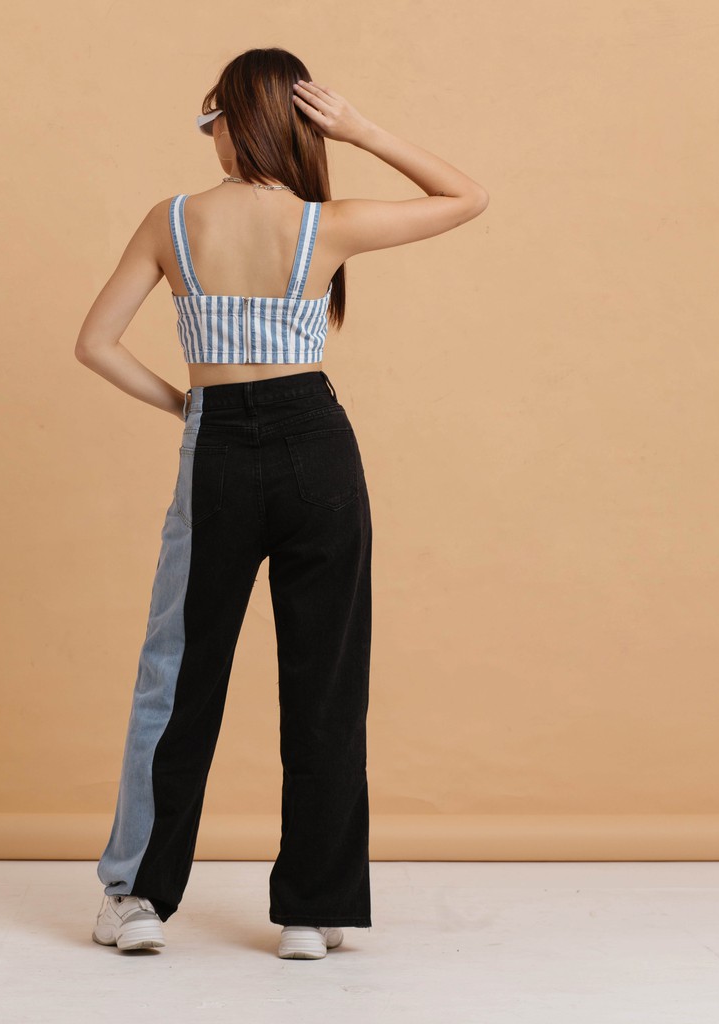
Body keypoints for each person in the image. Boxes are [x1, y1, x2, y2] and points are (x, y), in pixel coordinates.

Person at [74, 47, 488, 960]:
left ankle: (136, 899)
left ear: (233, 120)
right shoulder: (325, 224)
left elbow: (95, 343)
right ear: (304, 124)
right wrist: (362, 130)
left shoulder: (171, 221)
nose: (210, 134)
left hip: (217, 450)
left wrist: (188, 406)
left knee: (177, 675)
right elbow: (467, 196)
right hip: (319, 448)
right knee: (325, 680)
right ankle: (312, 910)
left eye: (211, 116)